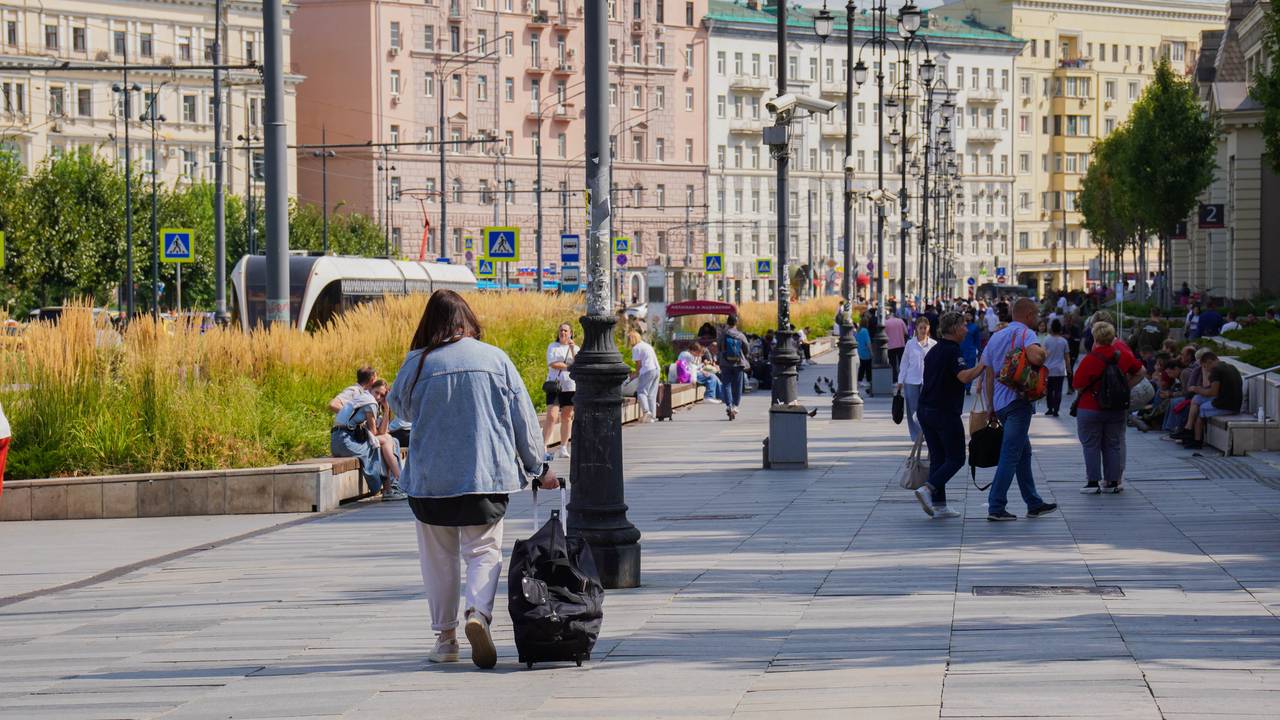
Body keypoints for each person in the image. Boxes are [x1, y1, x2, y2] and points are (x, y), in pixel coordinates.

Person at [386, 290, 558, 670]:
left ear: (430, 324)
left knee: (439, 559)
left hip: (432, 481)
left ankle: (445, 639)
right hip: (485, 476)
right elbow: (523, 421)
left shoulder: (417, 362)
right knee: (483, 552)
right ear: (468, 320)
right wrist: (540, 467)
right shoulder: (495, 359)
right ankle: (477, 613)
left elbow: (400, 408)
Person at [979, 298, 1058, 521]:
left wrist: (990, 405)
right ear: (1029, 315)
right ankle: (996, 506)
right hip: (1018, 402)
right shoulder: (1026, 334)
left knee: (1024, 453)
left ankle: (1033, 503)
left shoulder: (995, 337)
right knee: (1011, 454)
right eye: (1036, 315)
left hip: (1001, 404)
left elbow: (988, 373)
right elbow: (1035, 356)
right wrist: (1043, 355)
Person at [915, 312, 987, 519]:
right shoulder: (953, 351)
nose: (966, 329)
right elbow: (963, 376)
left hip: (926, 409)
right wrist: (982, 365)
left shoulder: (934, 350)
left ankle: (939, 504)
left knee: (938, 457)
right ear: (954, 329)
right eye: (963, 325)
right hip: (944, 412)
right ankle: (927, 489)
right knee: (956, 458)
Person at [1072, 322, 1145, 494]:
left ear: (1095, 338)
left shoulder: (1090, 359)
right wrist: (1126, 386)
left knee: (1091, 444)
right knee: (1113, 444)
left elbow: (1078, 385)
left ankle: (1092, 483)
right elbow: (1141, 371)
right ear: (1113, 337)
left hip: (1090, 407)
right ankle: (1112, 482)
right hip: (1116, 408)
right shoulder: (1123, 356)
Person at [332, 379, 406, 501]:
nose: (378, 397)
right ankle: (399, 483)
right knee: (385, 441)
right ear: (370, 389)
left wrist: (387, 409)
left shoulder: (364, 398)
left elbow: (382, 432)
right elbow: (375, 433)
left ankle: (393, 486)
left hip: (339, 440)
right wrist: (385, 408)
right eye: (376, 392)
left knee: (388, 440)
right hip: (345, 441)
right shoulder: (370, 402)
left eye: (382, 396)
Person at [1172, 351, 1243, 450]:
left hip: (1225, 406)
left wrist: (1197, 389)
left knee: (1200, 409)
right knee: (1196, 398)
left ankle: (1197, 441)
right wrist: (1200, 390)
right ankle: (1188, 428)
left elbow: (1213, 393)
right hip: (1233, 403)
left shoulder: (1216, 370)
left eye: (1205, 366)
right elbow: (1216, 390)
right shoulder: (1231, 367)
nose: (1206, 370)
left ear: (1210, 362)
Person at [896, 317, 937, 442]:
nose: (923, 330)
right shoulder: (910, 344)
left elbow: (936, 364)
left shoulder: (934, 344)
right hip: (911, 380)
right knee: (913, 410)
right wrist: (900, 381)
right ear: (916, 329)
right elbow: (904, 363)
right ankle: (916, 436)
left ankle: (927, 433)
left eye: (925, 328)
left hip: (928, 382)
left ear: (928, 328)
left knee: (927, 410)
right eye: (921, 328)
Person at [541, 323, 578, 460]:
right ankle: (544, 445)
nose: (563, 332)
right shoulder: (553, 346)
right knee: (552, 415)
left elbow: (578, 363)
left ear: (570, 333)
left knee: (567, 416)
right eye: (561, 330)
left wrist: (573, 349)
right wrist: (570, 366)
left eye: (566, 330)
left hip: (570, 386)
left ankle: (563, 446)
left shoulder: (575, 348)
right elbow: (552, 363)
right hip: (555, 386)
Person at [719, 314, 751, 421]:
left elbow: (719, 347)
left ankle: (729, 405)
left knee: (726, 384)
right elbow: (746, 348)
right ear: (736, 323)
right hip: (738, 363)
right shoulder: (740, 335)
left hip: (725, 363)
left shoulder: (723, 334)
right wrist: (744, 356)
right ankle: (735, 406)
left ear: (728, 323)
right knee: (737, 386)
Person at [628, 330, 661, 422]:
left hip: (647, 370)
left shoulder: (636, 348)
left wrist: (635, 374)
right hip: (656, 369)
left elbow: (639, 364)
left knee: (641, 392)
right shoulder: (646, 345)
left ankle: (647, 412)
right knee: (652, 394)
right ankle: (652, 416)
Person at [1042, 319, 1070, 417]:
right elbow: (1067, 357)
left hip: (1048, 370)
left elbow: (1043, 354)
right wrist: (1069, 368)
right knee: (1058, 390)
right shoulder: (1064, 341)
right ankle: (1056, 409)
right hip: (1060, 370)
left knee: (1049, 390)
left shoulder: (1046, 339)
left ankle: (1049, 408)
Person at [883, 309, 908, 382]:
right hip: (901, 344)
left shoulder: (885, 322)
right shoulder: (900, 321)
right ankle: (903, 378)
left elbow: (883, 334)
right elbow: (906, 332)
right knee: (902, 363)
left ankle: (894, 379)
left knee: (893, 363)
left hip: (890, 346)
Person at [856, 321, 873, 392]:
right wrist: (871, 352)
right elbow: (868, 342)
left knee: (862, 366)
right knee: (868, 367)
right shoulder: (865, 331)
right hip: (866, 351)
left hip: (860, 350)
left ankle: (859, 380)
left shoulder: (858, 331)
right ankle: (869, 380)